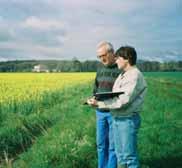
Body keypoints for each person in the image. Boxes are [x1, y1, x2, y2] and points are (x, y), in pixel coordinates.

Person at [88, 46, 147, 168]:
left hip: (127, 119)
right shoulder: (123, 75)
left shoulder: (134, 75)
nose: (116, 60)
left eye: (118, 58)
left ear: (127, 59)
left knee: (129, 157)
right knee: (121, 156)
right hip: (118, 118)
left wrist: (100, 104)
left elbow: (122, 101)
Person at [93, 41, 120, 168]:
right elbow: (96, 89)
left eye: (103, 55)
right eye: (99, 56)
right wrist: (92, 99)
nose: (101, 59)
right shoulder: (100, 69)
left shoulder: (120, 69)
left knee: (113, 146)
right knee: (101, 144)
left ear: (111, 53)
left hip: (114, 112)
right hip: (100, 112)